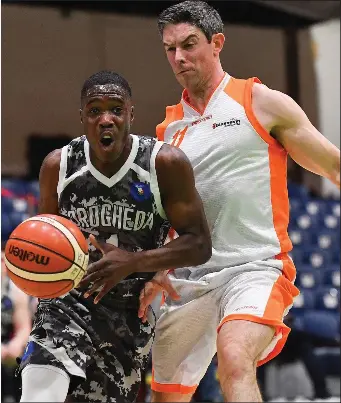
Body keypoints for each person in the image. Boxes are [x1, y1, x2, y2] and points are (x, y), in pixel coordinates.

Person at [138, 2, 341, 402]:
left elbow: (334, 165)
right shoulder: (166, 132)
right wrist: (156, 266)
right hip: (189, 280)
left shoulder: (259, 102)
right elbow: (165, 216)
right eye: (170, 48)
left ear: (217, 43)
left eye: (189, 44)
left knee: (234, 358)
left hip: (254, 267)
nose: (179, 57)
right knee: (167, 396)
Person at [16, 70, 212, 403]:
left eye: (116, 110)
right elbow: (44, 241)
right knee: (39, 389)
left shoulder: (162, 163)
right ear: (82, 117)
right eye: (95, 111)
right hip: (67, 302)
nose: (106, 119)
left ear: (131, 114)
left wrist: (135, 262)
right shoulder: (59, 167)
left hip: (128, 315)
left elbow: (199, 244)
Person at [1, 251, 32, 402]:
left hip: (7, 349)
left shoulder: (16, 291)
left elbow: (24, 328)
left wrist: (16, 344)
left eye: (2, 260)